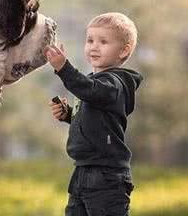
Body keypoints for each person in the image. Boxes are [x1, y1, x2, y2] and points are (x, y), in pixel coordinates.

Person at [45, 12, 143, 216]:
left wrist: (64, 68)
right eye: (90, 40)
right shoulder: (94, 84)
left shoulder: (117, 83)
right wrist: (68, 115)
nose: (94, 46)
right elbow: (95, 120)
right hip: (82, 171)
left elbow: (90, 90)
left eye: (103, 42)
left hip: (106, 175)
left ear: (124, 51)